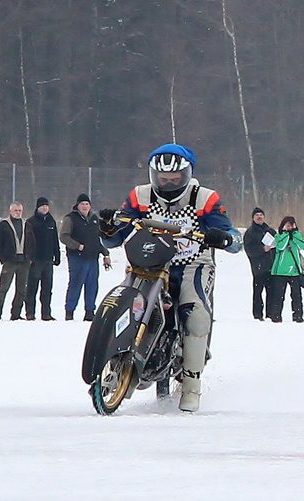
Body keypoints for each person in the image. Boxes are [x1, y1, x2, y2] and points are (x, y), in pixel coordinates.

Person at [98, 144, 242, 412]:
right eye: (163, 179)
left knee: (196, 313)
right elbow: (116, 237)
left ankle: (191, 387)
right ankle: (120, 359)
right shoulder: (139, 196)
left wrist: (222, 237)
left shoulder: (204, 198)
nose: (168, 184)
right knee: (127, 300)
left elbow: (234, 239)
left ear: (187, 175)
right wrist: (107, 228)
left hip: (192, 264)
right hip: (149, 262)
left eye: (175, 180)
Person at [60, 194, 111, 321]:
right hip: (77, 257)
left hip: (93, 258)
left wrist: (105, 254)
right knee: (76, 284)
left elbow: (100, 239)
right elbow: (64, 236)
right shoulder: (70, 218)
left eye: (87, 204)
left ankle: (89, 312)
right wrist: (77, 246)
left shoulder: (95, 219)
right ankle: (69, 311)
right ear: (77, 205)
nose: (85, 206)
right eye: (82, 204)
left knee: (92, 285)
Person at [0, 202, 35, 320]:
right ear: (10, 211)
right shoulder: (4, 225)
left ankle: (16, 314)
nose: (18, 213)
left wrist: (30, 257)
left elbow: (32, 242)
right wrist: (3, 259)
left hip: (24, 261)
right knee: (3, 288)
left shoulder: (27, 224)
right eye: (15, 210)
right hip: (9, 261)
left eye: (20, 210)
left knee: (21, 290)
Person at [25, 197, 61, 321]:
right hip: (35, 260)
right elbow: (28, 242)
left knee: (47, 288)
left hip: (48, 259)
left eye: (46, 205)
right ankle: (30, 312)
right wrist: (29, 257)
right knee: (32, 287)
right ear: (37, 207)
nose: (45, 208)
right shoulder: (31, 222)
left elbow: (55, 240)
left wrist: (57, 255)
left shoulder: (51, 221)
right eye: (42, 206)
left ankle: (46, 313)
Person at [269, 216, 304, 323]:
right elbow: (280, 246)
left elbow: (302, 245)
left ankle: (298, 316)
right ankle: (276, 316)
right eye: (287, 224)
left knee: (297, 296)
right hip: (280, 271)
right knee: (278, 295)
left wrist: (295, 233)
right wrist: (285, 233)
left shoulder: (296, 236)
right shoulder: (279, 236)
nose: (289, 227)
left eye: (291, 225)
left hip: (294, 271)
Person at [244, 207, 276, 321]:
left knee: (272, 292)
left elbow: (277, 246)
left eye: (261, 214)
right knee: (258, 293)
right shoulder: (250, 232)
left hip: (271, 267)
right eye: (257, 215)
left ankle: (270, 314)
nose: (259, 216)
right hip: (258, 268)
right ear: (253, 217)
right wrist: (262, 249)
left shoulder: (271, 231)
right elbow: (249, 250)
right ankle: (257, 315)